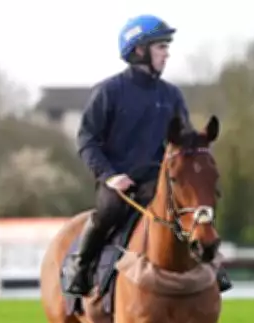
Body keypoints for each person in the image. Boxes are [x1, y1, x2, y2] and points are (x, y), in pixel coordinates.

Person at [64, 14, 233, 296]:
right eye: (161, 47)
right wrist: (110, 176)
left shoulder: (172, 95)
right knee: (108, 212)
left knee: (195, 209)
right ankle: (81, 268)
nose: (167, 54)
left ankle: (213, 263)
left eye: (166, 47)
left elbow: (186, 144)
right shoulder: (108, 92)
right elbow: (87, 140)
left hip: (162, 182)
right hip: (120, 183)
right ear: (139, 50)